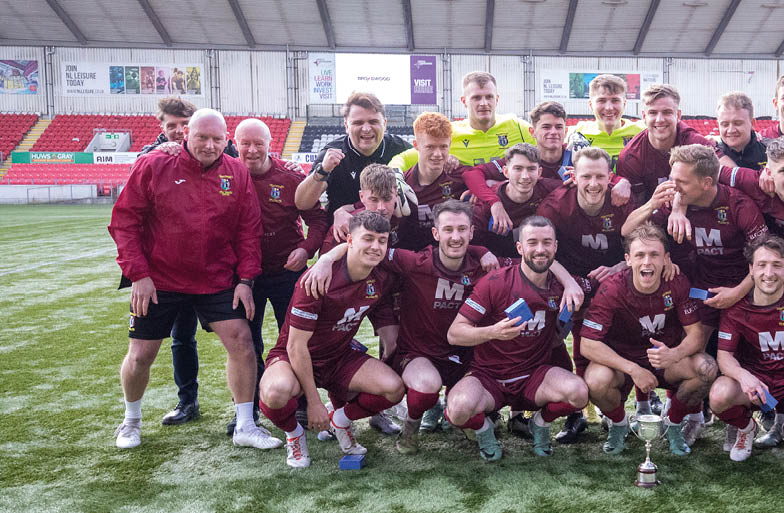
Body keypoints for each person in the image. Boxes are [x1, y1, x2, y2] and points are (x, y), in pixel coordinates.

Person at [108, 109, 281, 450]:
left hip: (215, 278)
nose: (210, 145)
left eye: (218, 139)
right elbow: (124, 223)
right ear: (186, 133)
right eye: (202, 137)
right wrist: (138, 275)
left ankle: (245, 425)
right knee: (141, 354)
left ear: (227, 140)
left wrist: (245, 280)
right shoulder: (154, 165)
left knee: (243, 343)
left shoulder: (236, 173)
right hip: (159, 278)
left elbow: (248, 231)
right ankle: (131, 421)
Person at [622, 143, 769, 443]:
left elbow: (764, 259)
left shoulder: (740, 206)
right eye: (672, 178)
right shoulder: (674, 199)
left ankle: (741, 420)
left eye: (681, 181)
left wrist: (737, 292)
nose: (673, 186)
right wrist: (657, 209)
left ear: (707, 182)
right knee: (693, 349)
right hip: (697, 288)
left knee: (741, 357)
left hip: (743, 289)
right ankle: (690, 415)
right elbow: (627, 231)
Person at [258, 211, 405, 468]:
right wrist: (314, 403)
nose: (375, 246)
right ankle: (294, 433)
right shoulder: (318, 279)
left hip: (339, 355)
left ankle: (341, 419)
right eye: (367, 238)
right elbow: (296, 346)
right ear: (349, 240)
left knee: (393, 387)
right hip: (294, 356)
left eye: (382, 240)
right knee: (275, 392)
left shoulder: (382, 274)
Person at [445, 215, 593, 460]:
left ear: (555, 247)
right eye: (532, 243)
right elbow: (454, 333)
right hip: (489, 377)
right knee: (458, 409)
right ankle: (484, 430)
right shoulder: (495, 283)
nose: (540, 249)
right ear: (520, 248)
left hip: (534, 375)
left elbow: (603, 287)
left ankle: (540, 423)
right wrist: (493, 332)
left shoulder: (564, 285)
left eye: (547, 243)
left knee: (579, 393)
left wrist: (619, 268)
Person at [137, 97, 238, 428]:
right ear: (161, 127)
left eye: (185, 125)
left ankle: (247, 411)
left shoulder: (225, 152)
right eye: (172, 126)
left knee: (242, 338)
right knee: (182, 337)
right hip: (169, 270)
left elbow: (245, 165)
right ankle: (187, 401)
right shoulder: (151, 156)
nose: (180, 132)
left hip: (217, 268)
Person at [229, 118, 329, 435]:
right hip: (244, 277)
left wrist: (306, 249)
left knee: (296, 340)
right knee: (245, 343)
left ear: (271, 143)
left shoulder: (289, 177)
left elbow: (318, 220)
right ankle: (247, 411)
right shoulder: (225, 175)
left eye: (259, 142)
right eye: (246, 143)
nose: (252, 149)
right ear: (235, 143)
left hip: (288, 273)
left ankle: (299, 404)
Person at [581, 224, 716, 455]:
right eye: (640, 255)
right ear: (628, 259)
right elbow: (588, 344)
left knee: (706, 368)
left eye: (654, 255)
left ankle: (673, 425)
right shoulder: (612, 289)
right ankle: (619, 424)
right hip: (623, 364)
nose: (647, 262)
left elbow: (696, 335)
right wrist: (633, 369)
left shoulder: (676, 281)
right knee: (595, 382)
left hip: (666, 359)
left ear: (666, 259)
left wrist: (675, 354)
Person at [710, 235, 784, 461]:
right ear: (751, 269)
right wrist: (744, 377)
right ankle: (745, 428)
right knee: (719, 394)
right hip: (758, 383)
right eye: (762, 265)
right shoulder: (735, 308)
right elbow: (724, 356)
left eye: (777, 265)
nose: (769, 273)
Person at [389, 71, 537, 172]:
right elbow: (403, 159)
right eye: (476, 98)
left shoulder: (517, 126)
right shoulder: (450, 133)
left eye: (489, 97)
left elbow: (555, 144)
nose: (484, 103)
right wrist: (396, 177)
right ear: (464, 101)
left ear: (496, 99)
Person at [294, 92, 412, 218]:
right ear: (346, 126)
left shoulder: (401, 150)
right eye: (358, 123)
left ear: (385, 123)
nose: (366, 129)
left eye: (373, 121)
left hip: (390, 231)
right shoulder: (333, 154)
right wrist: (323, 170)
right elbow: (302, 203)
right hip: (344, 232)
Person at [617, 84, 726, 203]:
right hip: (653, 214)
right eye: (653, 113)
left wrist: (679, 206)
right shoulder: (631, 156)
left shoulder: (693, 142)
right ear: (644, 116)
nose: (659, 119)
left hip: (693, 211)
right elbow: (635, 208)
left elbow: (729, 172)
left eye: (667, 112)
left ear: (678, 115)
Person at [566, 74, 644, 169]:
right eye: (602, 101)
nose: (609, 108)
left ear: (624, 104)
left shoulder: (641, 133)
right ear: (591, 105)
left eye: (615, 100)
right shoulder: (578, 132)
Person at [715, 92, 767, 171]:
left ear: (752, 123)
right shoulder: (710, 157)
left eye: (737, 123)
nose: (731, 130)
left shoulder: (770, 154)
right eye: (725, 124)